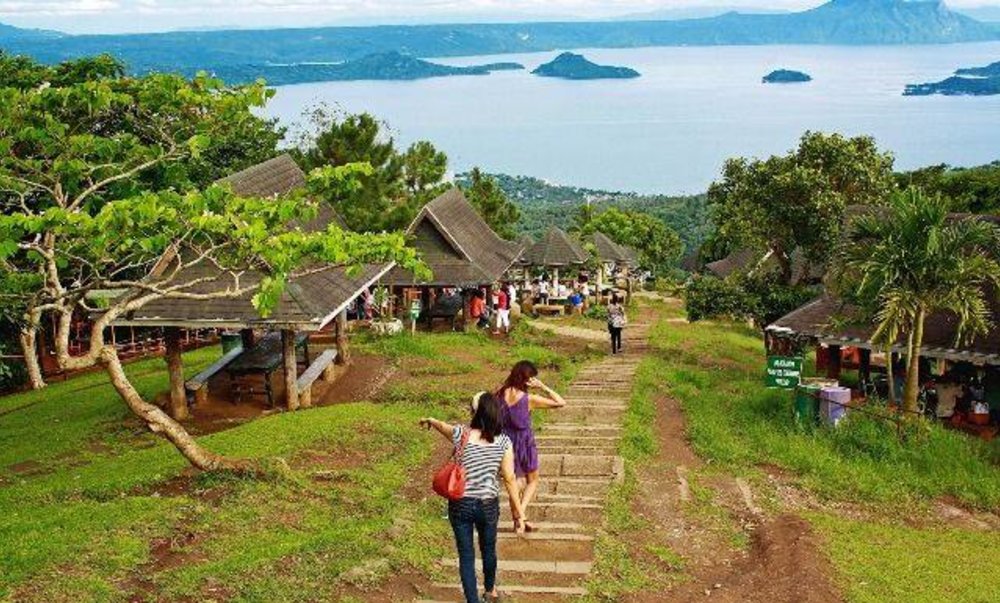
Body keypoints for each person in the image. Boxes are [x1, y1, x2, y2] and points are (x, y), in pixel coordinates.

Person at [420, 393, 526, 603]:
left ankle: (472, 600)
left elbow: (443, 426)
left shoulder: (461, 434)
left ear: (474, 412)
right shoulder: (503, 441)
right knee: (488, 549)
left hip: (461, 503)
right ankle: (490, 591)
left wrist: (430, 421)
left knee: (466, 555)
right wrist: (519, 514)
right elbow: (510, 478)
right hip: (488, 505)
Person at [497, 361, 567, 532]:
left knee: (514, 483)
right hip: (525, 442)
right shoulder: (529, 399)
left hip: (505, 443)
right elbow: (561, 402)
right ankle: (521, 515)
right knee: (532, 481)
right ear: (527, 379)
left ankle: (518, 520)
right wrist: (543, 387)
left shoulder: (498, 395)